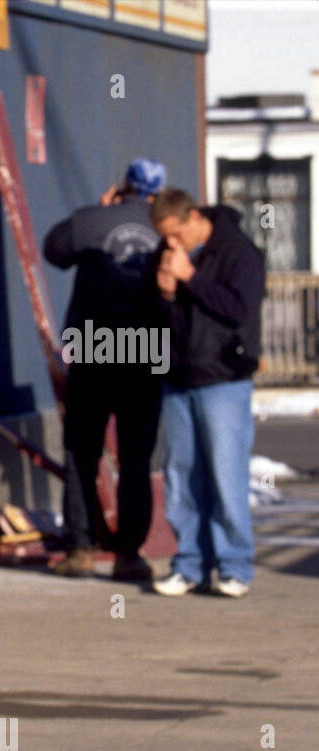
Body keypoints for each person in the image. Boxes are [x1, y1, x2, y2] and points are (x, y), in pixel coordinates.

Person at [43, 158, 168, 582]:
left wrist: (98, 209)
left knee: (82, 451)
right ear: (157, 194)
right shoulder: (165, 225)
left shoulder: (92, 219)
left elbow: (53, 249)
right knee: (136, 457)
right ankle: (129, 554)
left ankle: (80, 548)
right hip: (145, 353)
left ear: (122, 187)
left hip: (93, 350)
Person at [148, 188, 264, 597]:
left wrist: (191, 278)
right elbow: (161, 321)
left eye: (177, 234)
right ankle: (189, 563)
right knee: (181, 477)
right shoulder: (169, 256)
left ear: (195, 218)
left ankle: (234, 566)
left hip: (224, 379)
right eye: (165, 237)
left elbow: (239, 308)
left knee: (225, 474)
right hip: (178, 377)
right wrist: (164, 293)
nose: (171, 244)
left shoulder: (238, 252)